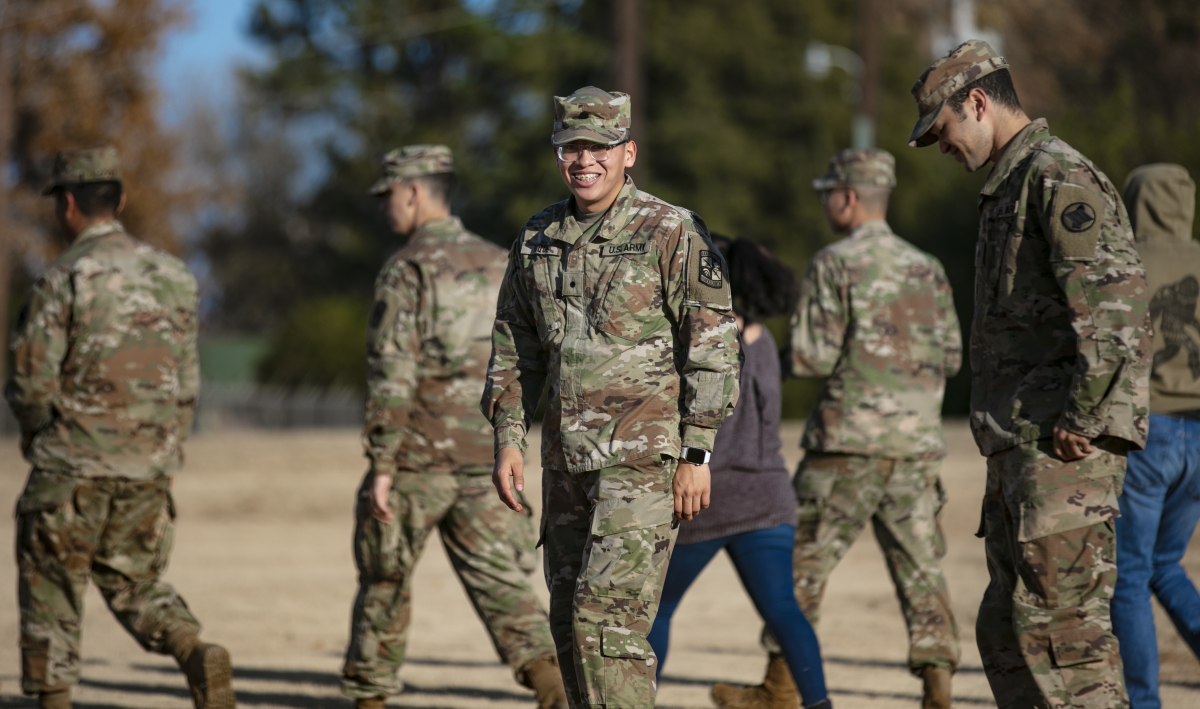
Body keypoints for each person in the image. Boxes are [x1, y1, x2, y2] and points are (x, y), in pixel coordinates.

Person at [909, 40, 1151, 709]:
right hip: (1021, 443)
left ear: (977, 102)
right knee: (1008, 634)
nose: (942, 147)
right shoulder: (1009, 184)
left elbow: (1119, 308)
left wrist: (1085, 418)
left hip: (1061, 450)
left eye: (943, 130)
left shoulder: (1056, 176)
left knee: (1065, 643)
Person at [482, 86, 741, 709]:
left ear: (628, 152)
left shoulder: (670, 230)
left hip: (640, 466)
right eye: (570, 147)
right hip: (565, 465)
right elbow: (515, 346)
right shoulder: (537, 236)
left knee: (607, 627)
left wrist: (698, 453)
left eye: (598, 147)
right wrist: (508, 440)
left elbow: (712, 345)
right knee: (568, 626)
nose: (584, 160)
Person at [712, 149, 963, 709]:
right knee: (921, 567)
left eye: (828, 193)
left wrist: (760, 356)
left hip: (846, 445)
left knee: (800, 566)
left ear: (848, 197)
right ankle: (938, 680)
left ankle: (780, 687)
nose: (825, 203)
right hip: (916, 446)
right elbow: (950, 357)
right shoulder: (927, 266)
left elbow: (813, 355)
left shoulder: (833, 262)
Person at [5, 146, 234, 709]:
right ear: (122, 201)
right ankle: (192, 649)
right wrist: (169, 452)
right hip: (148, 466)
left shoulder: (63, 278)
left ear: (66, 204)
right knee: (134, 581)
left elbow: (30, 381)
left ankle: (54, 701)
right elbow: (186, 380)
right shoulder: (175, 277)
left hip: (71, 466)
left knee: (52, 584)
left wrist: (37, 434)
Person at [340, 145, 566, 709]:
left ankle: (369, 697)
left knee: (385, 580)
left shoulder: (408, 268)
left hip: (416, 458)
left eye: (389, 194)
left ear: (414, 192)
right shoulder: (499, 261)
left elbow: (392, 371)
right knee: (503, 584)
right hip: (487, 455)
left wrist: (382, 464)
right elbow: (530, 357)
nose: (384, 206)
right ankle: (552, 688)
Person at [647, 235, 832, 709]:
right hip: (768, 495)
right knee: (784, 610)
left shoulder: (701, 338)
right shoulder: (764, 338)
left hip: (707, 496)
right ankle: (820, 704)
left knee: (657, 610)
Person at [1112, 163, 1200, 709]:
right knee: (1165, 565)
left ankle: (1143, 703)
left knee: (1129, 576)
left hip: (1149, 432)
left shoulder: (1123, 260)